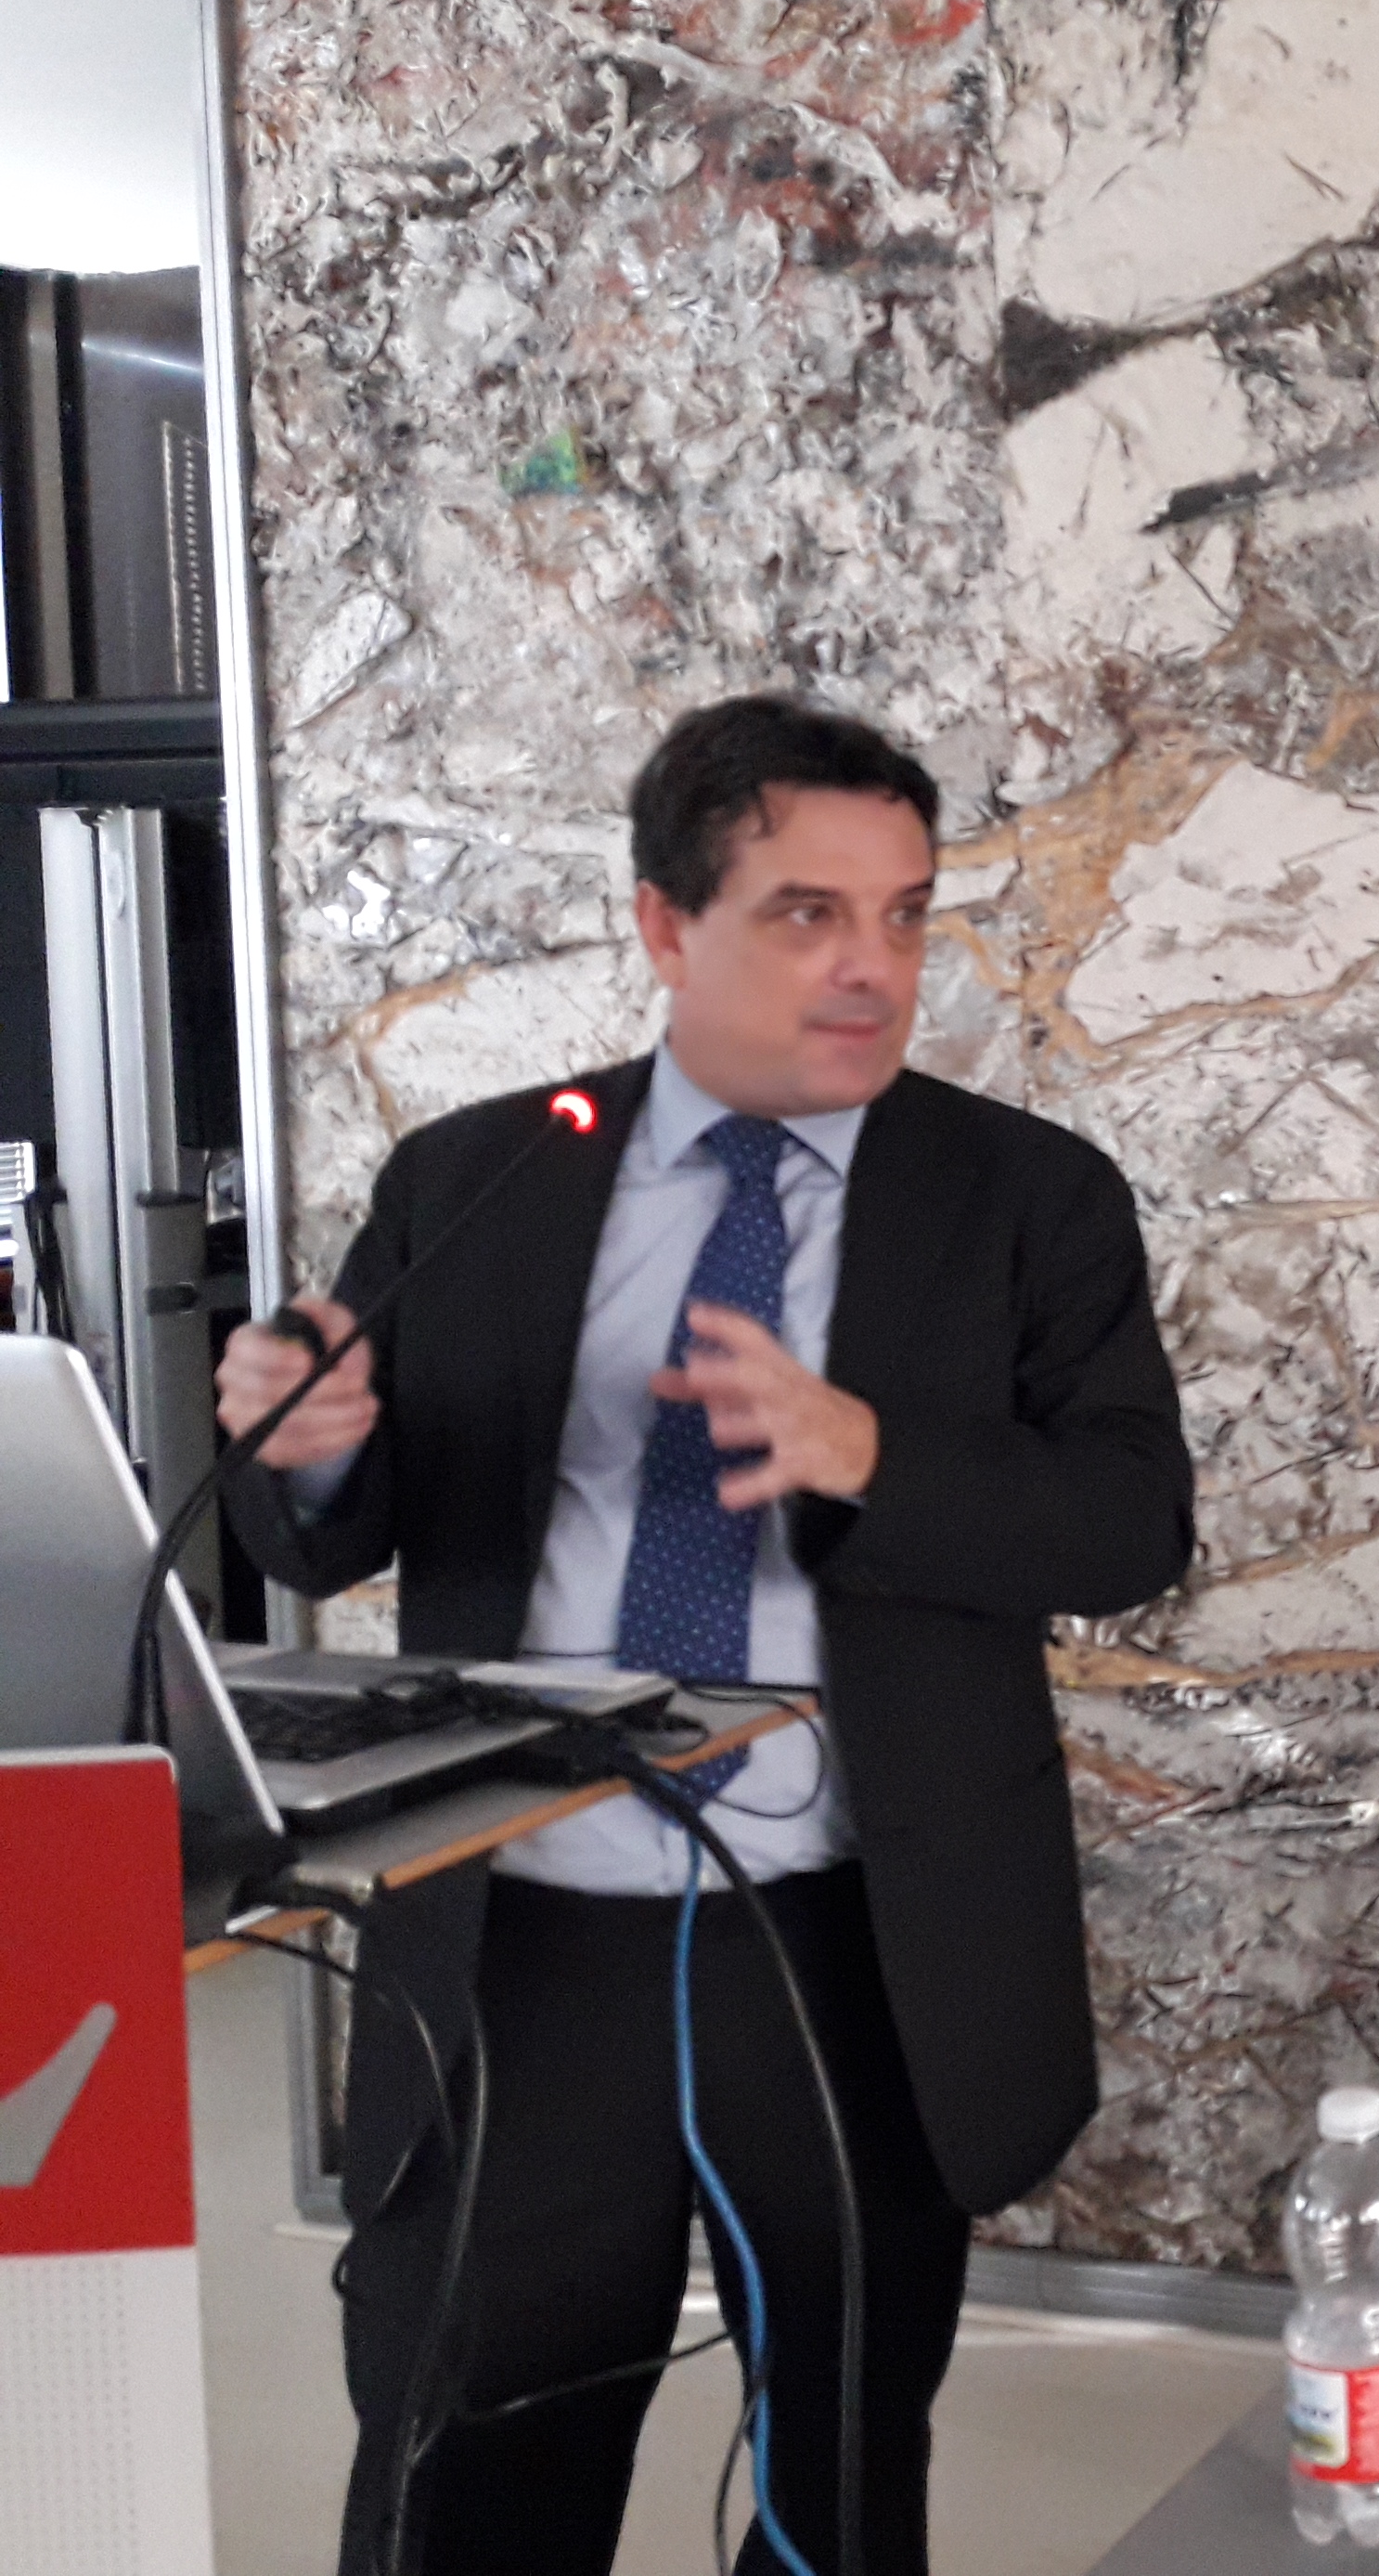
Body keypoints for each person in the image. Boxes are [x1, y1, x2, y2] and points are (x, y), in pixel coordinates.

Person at [218, 694, 1194, 2576]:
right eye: (807, 915)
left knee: (836, 2481)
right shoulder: (479, 1182)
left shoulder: (1026, 1200)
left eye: (904, 914)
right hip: (518, 1936)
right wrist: (316, 1444)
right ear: (666, 925)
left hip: (849, 1943)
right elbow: (324, 1520)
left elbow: (1128, 1522)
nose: (872, 968)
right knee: (470, 2468)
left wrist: (868, 1454)